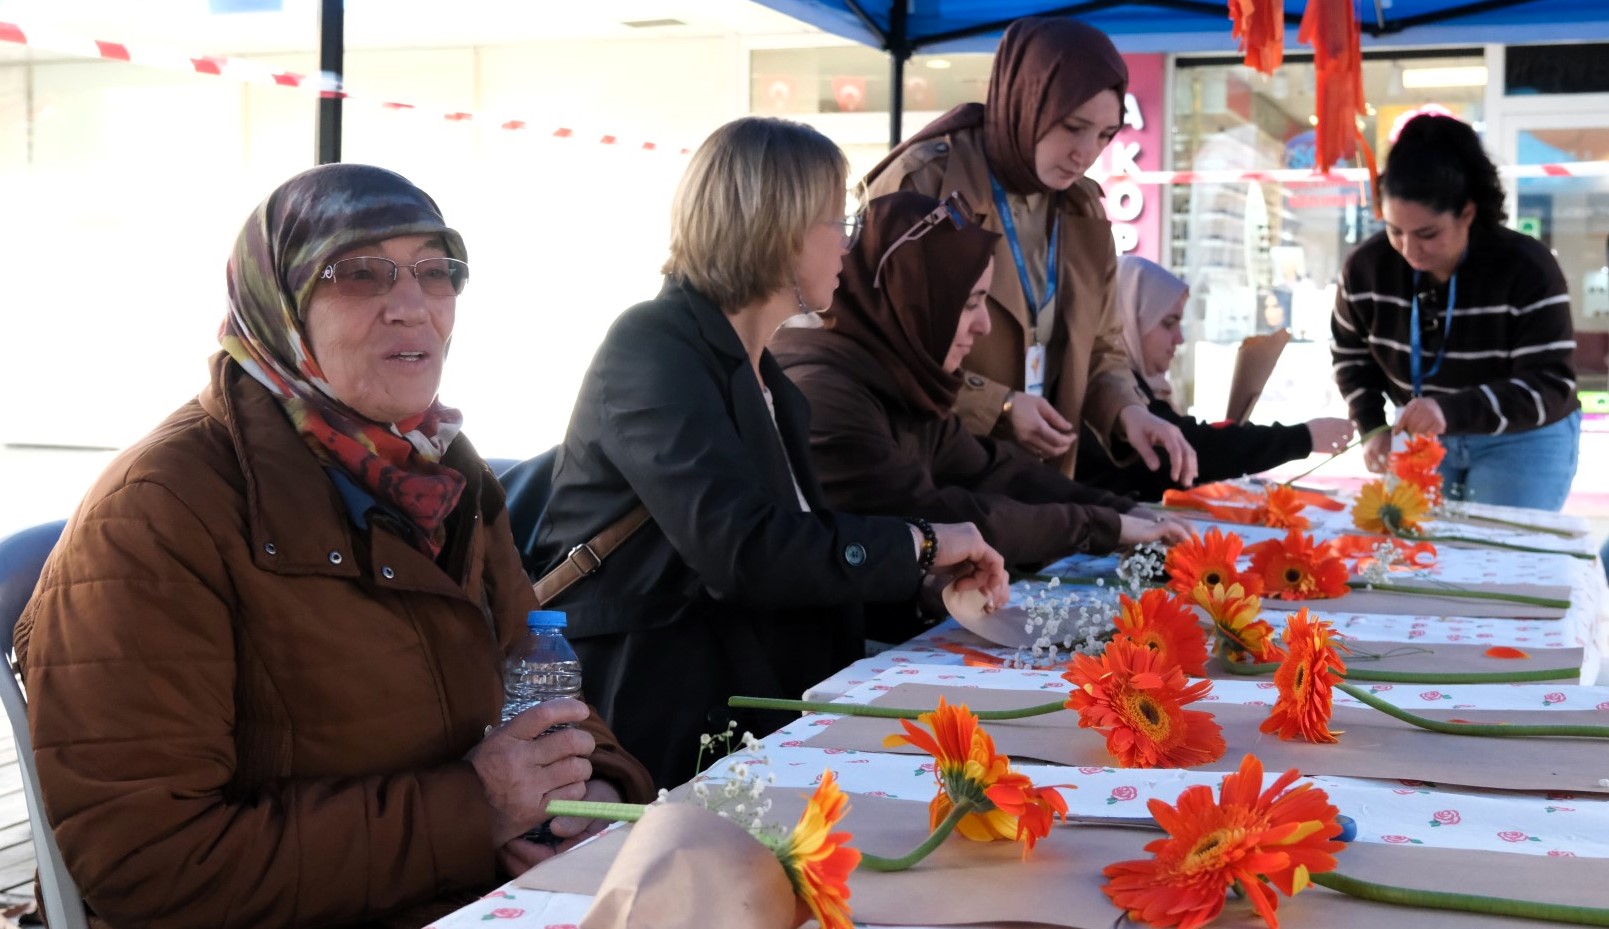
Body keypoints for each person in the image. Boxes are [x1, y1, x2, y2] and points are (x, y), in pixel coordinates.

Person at [14, 164, 654, 929]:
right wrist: (474, 809)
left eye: (435, 270)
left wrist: (593, 797)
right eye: (359, 273)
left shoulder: (440, 471)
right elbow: (151, 861)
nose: (412, 306)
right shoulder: (156, 517)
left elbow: (550, 695)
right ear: (278, 304)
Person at [530, 117, 1012, 788]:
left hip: (754, 703)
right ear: (780, 230)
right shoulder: (652, 346)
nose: (847, 243)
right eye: (835, 221)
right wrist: (918, 544)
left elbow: (802, 558)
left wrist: (923, 584)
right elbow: (744, 551)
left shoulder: (769, 377)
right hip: (657, 719)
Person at [860, 16, 1197, 487]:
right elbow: (869, 338)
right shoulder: (926, 183)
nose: (1086, 153)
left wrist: (1128, 411)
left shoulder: (1083, 206)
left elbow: (1102, 344)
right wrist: (994, 405)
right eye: (1073, 126)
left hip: (1033, 486)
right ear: (1026, 101)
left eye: (1104, 135)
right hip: (929, 481)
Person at [773, 191, 1189, 570]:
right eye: (970, 303)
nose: (984, 326)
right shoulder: (828, 394)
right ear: (914, 302)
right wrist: (1104, 525)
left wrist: (1122, 513)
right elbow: (937, 516)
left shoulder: (901, 377)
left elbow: (995, 471)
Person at [1333, 114, 1580, 510]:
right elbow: (1350, 355)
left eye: (1427, 234)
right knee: (1416, 558)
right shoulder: (1367, 267)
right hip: (1420, 435)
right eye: (1396, 231)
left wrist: (1448, 409)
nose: (1410, 251)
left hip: (1521, 438)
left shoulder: (1526, 267)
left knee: (1501, 559)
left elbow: (1550, 383)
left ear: (1468, 213)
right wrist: (1372, 426)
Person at [1074, 256, 1355, 500]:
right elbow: (1194, 448)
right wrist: (1303, 437)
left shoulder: (1140, 384)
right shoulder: (1106, 389)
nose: (1179, 338)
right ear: (1126, 319)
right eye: (1168, 323)